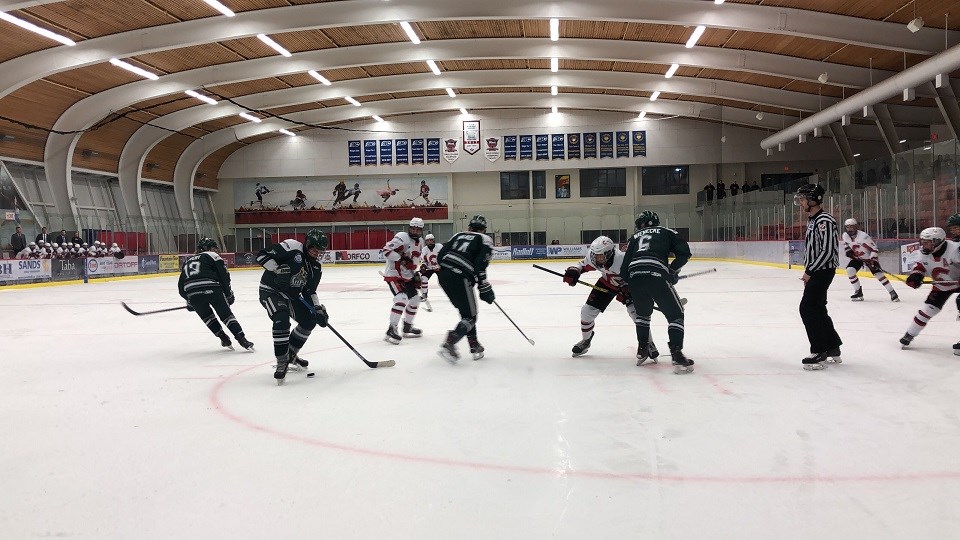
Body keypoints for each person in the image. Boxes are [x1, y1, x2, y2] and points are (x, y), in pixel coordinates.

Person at [564, 236, 659, 360]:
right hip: (607, 283)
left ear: (610, 253)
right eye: (594, 255)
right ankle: (586, 340)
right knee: (586, 312)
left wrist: (629, 291)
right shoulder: (594, 257)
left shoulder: (623, 260)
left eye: (600, 256)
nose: (596, 258)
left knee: (636, 314)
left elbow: (638, 278)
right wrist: (575, 271)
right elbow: (582, 265)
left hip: (629, 286)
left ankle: (648, 343)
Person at [620, 211, 692, 373]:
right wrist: (672, 271)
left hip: (635, 276)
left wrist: (630, 283)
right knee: (676, 315)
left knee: (642, 315)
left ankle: (642, 349)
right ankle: (677, 354)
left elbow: (624, 269)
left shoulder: (635, 237)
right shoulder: (667, 232)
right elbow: (684, 253)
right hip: (657, 274)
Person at [257, 229, 329, 384]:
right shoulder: (291, 247)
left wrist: (317, 309)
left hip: (292, 296)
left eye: (320, 252)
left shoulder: (315, 267)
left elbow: (310, 291)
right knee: (281, 318)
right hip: (271, 291)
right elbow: (262, 255)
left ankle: (291, 354)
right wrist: (277, 270)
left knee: (310, 321)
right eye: (314, 250)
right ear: (307, 244)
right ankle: (282, 361)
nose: (317, 254)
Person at [794, 184, 843, 370]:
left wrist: (809, 271)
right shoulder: (813, 220)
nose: (801, 202)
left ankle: (819, 350)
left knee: (807, 308)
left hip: (822, 271)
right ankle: (832, 347)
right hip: (817, 270)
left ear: (813, 199)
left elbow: (828, 251)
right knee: (818, 308)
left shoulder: (825, 220)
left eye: (804, 198)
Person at [178, 237, 254, 352]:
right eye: (213, 247)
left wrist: (189, 299)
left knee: (207, 318)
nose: (216, 250)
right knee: (226, 315)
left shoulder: (187, 261)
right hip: (212, 288)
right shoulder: (212, 256)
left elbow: (181, 287)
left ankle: (224, 338)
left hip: (192, 293)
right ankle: (242, 340)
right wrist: (228, 294)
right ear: (206, 248)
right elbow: (224, 276)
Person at [436, 215, 495, 363]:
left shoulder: (458, 235)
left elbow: (440, 255)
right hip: (460, 277)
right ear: (483, 230)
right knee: (471, 317)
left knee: (466, 313)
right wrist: (484, 286)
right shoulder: (484, 239)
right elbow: (481, 264)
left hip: (443, 276)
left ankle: (474, 345)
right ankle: (450, 341)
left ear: (469, 227)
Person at [899, 227, 960, 352]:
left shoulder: (954, 250)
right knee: (927, 310)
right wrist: (916, 276)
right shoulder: (923, 252)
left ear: (938, 241)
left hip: (958, 282)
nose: (924, 245)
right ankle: (910, 334)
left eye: (928, 242)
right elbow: (920, 266)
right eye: (923, 242)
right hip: (941, 286)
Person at [381, 217, 425, 344]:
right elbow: (386, 251)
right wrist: (401, 258)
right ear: (409, 228)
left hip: (407, 276)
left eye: (417, 229)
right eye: (413, 228)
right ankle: (392, 329)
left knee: (415, 300)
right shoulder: (402, 237)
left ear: (421, 231)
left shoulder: (421, 241)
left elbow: (413, 262)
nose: (415, 231)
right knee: (401, 298)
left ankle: (407, 326)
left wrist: (415, 274)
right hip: (394, 275)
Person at [842, 218, 899, 302]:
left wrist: (873, 260)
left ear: (856, 227)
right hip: (857, 258)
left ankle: (892, 292)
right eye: (848, 227)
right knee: (850, 270)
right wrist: (848, 251)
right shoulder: (845, 235)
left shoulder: (863, 237)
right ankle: (858, 292)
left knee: (878, 274)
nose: (850, 229)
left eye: (852, 227)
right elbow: (846, 244)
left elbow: (874, 248)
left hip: (868, 258)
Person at [419, 233, 443, 302]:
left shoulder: (440, 246)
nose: (429, 242)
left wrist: (441, 265)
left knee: (446, 280)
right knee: (423, 278)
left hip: (440, 267)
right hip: (429, 268)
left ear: (434, 240)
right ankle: (424, 294)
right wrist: (423, 266)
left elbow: (444, 257)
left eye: (431, 240)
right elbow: (424, 261)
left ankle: (452, 294)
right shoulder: (424, 250)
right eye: (428, 240)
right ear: (426, 241)